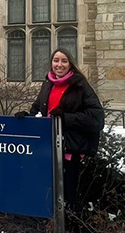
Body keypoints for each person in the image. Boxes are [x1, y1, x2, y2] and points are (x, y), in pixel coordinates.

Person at [15, 47, 104, 213]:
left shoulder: (80, 85)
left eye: (64, 61)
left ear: (70, 64)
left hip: (70, 149)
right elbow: (39, 110)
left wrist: (66, 117)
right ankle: (49, 232)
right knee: (48, 195)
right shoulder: (48, 83)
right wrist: (26, 117)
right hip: (47, 149)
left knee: (68, 199)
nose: (59, 64)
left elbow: (97, 119)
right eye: (56, 60)